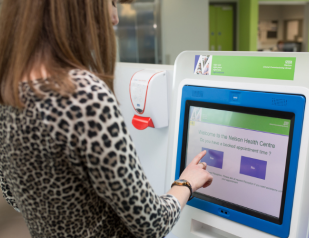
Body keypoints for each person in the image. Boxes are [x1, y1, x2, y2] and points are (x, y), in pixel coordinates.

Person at [0, 1, 213, 237]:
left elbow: (13, 195)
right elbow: (152, 224)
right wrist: (186, 183)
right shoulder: (84, 95)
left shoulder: (9, 90)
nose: (115, 18)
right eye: (111, 3)